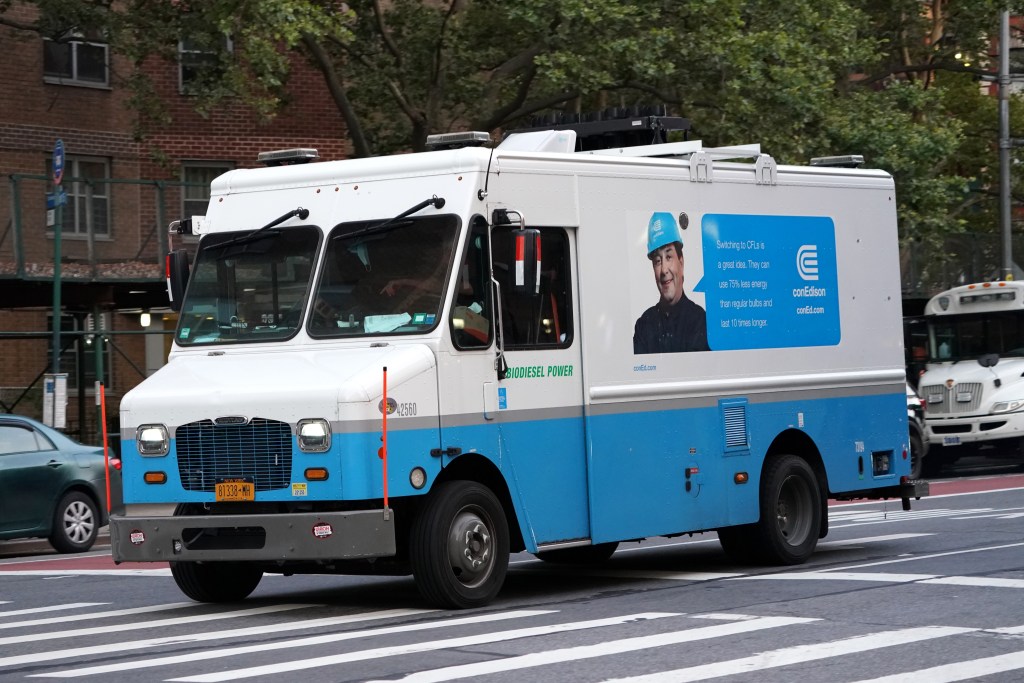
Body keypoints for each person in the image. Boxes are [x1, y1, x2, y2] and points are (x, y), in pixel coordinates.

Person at [633, 212, 709, 354]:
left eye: (668, 257)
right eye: (657, 261)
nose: (663, 270)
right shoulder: (643, 326)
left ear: (681, 261)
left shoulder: (700, 322)